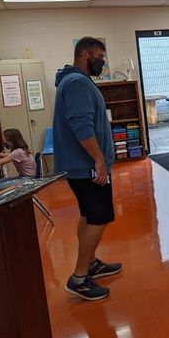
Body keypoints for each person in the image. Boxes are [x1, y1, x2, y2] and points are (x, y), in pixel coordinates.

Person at [54, 37, 121, 301]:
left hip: (82, 165)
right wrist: (99, 159)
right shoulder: (77, 83)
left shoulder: (72, 81)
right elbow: (81, 125)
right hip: (86, 166)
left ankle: (90, 263)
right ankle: (79, 278)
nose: (102, 62)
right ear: (83, 55)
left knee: (88, 214)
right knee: (99, 216)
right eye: (99, 56)